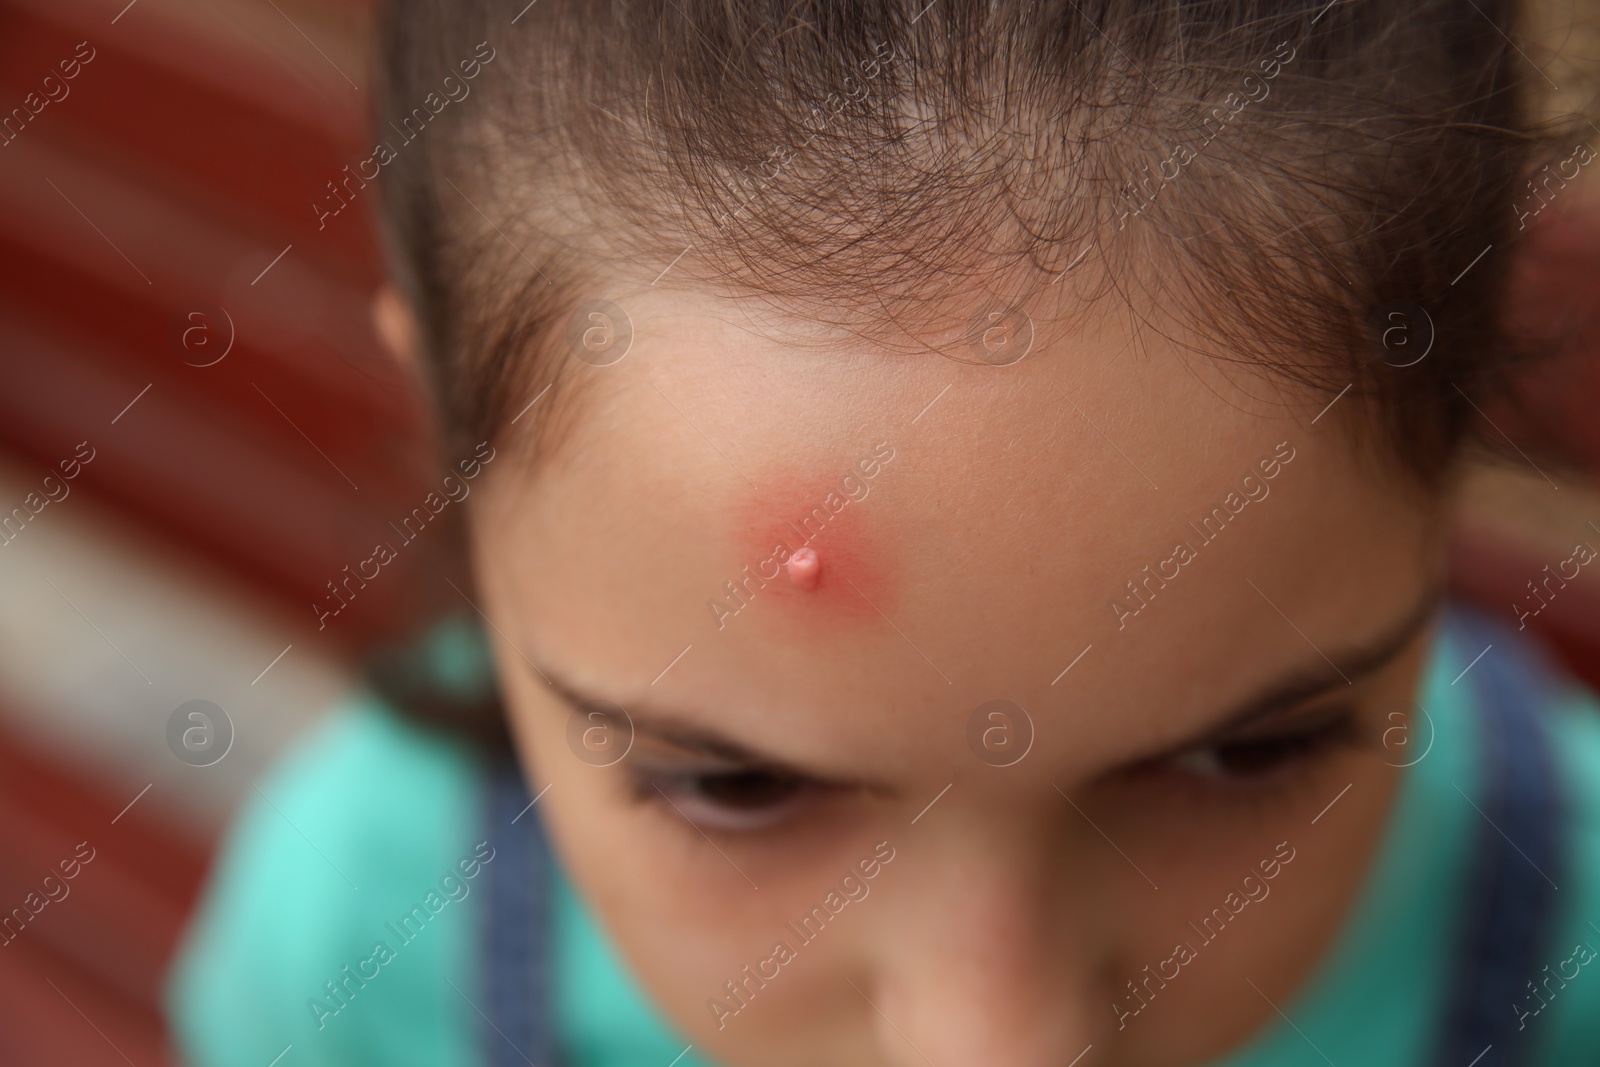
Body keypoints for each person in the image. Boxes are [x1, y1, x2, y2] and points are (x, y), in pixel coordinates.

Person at [168, 1, 1600, 1064]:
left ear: (1448, 438)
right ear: (455, 445)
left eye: (1248, 753)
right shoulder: (362, 939)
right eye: (735, 788)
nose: (1000, 1040)